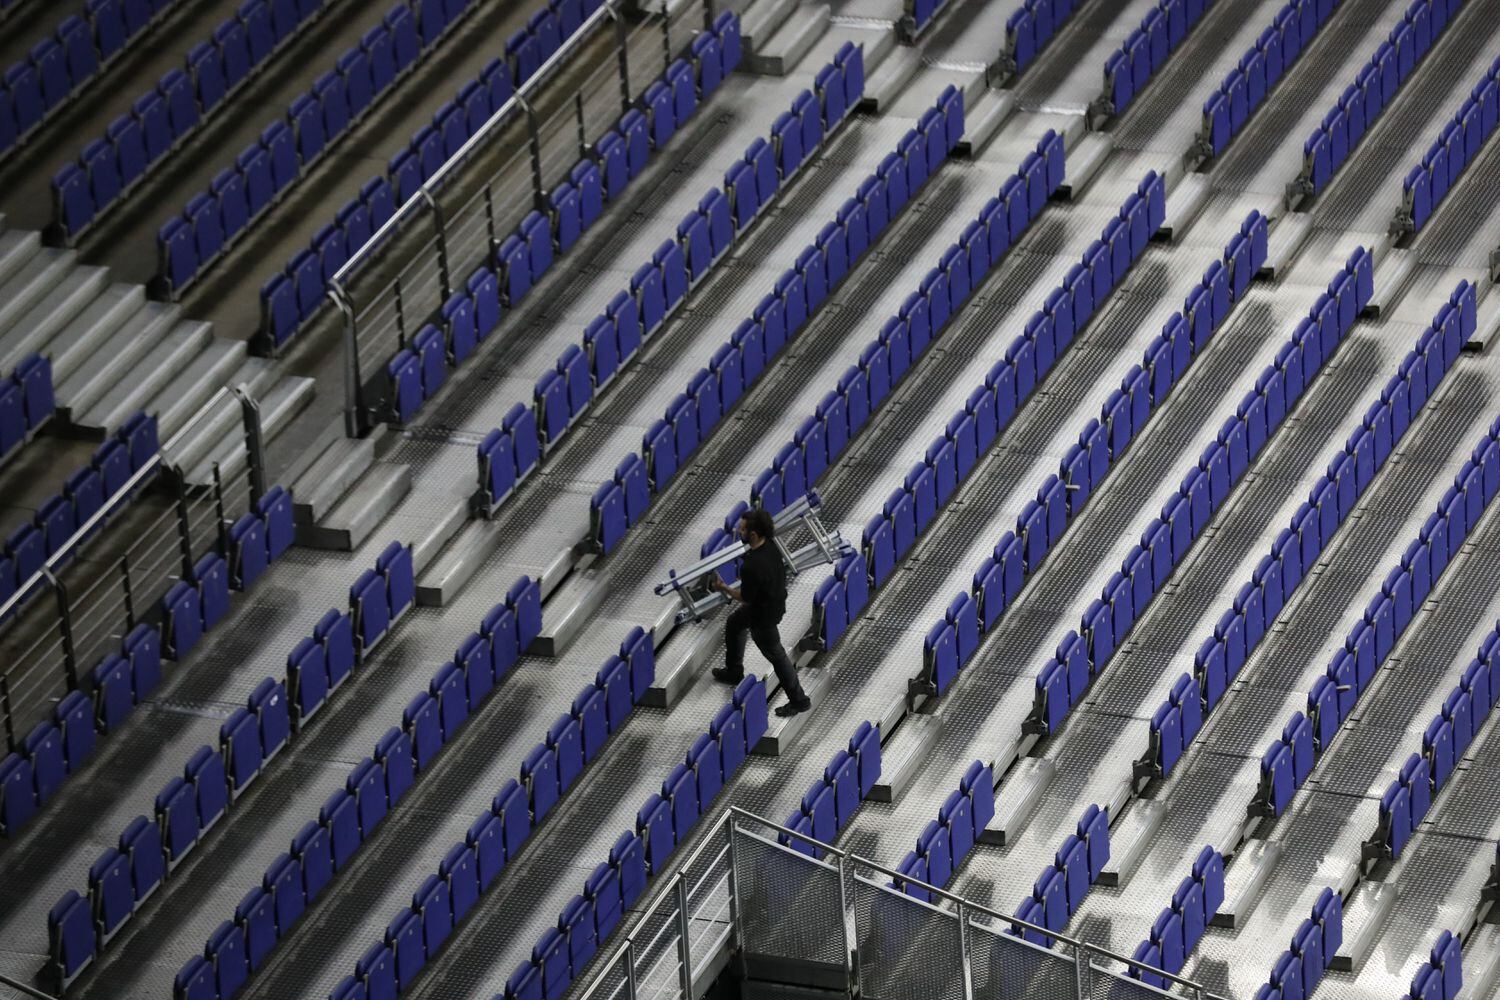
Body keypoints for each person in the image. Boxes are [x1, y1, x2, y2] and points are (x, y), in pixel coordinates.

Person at [710, 508, 811, 717]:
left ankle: (799, 700)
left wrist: (723, 588)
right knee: (734, 623)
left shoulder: (752, 566)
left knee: (776, 655)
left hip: (762, 616)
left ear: (753, 535)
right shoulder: (771, 547)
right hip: (773, 603)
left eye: (743, 529)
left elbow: (744, 597)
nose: (739, 531)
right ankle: (734, 671)